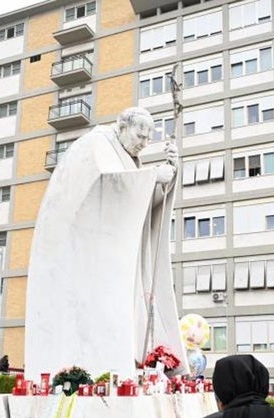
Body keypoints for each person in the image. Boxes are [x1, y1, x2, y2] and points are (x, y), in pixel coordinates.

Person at [26, 107, 184, 381]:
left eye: (148, 139)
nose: (143, 143)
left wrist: (168, 177)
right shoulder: (96, 143)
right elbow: (102, 187)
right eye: (139, 136)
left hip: (117, 261)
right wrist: (151, 176)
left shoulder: (129, 158)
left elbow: (141, 210)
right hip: (86, 259)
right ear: (122, 125)